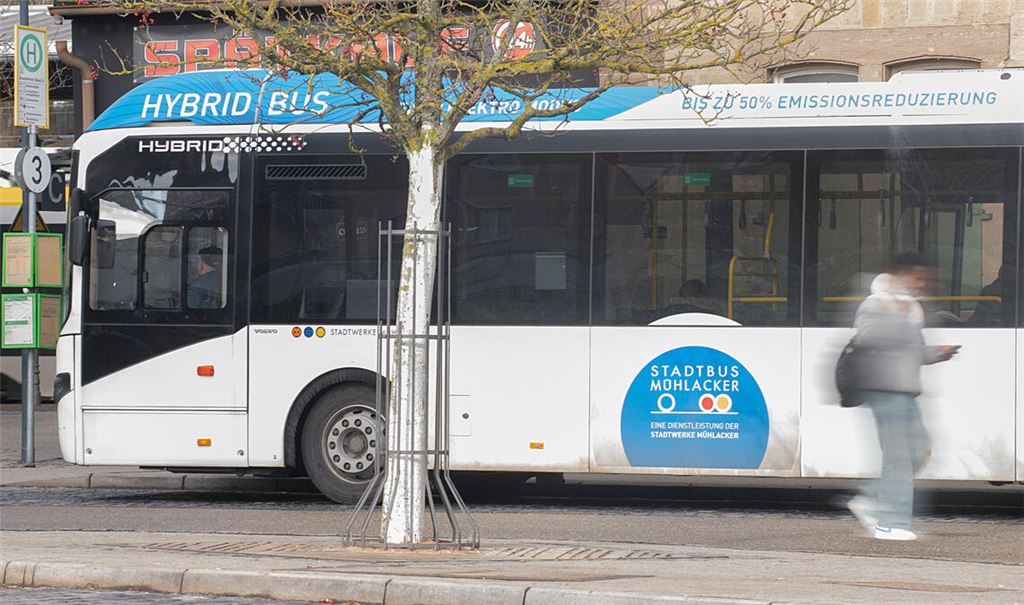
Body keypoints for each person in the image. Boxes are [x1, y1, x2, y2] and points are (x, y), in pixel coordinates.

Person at [846, 253, 960, 541]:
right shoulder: (876, 304)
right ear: (900, 275)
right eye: (917, 278)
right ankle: (889, 524)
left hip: (907, 390)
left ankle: (872, 500)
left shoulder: (910, 308)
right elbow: (867, 339)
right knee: (897, 458)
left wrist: (937, 353)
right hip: (882, 389)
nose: (922, 284)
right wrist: (896, 315)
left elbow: (912, 350)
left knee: (919, 451)